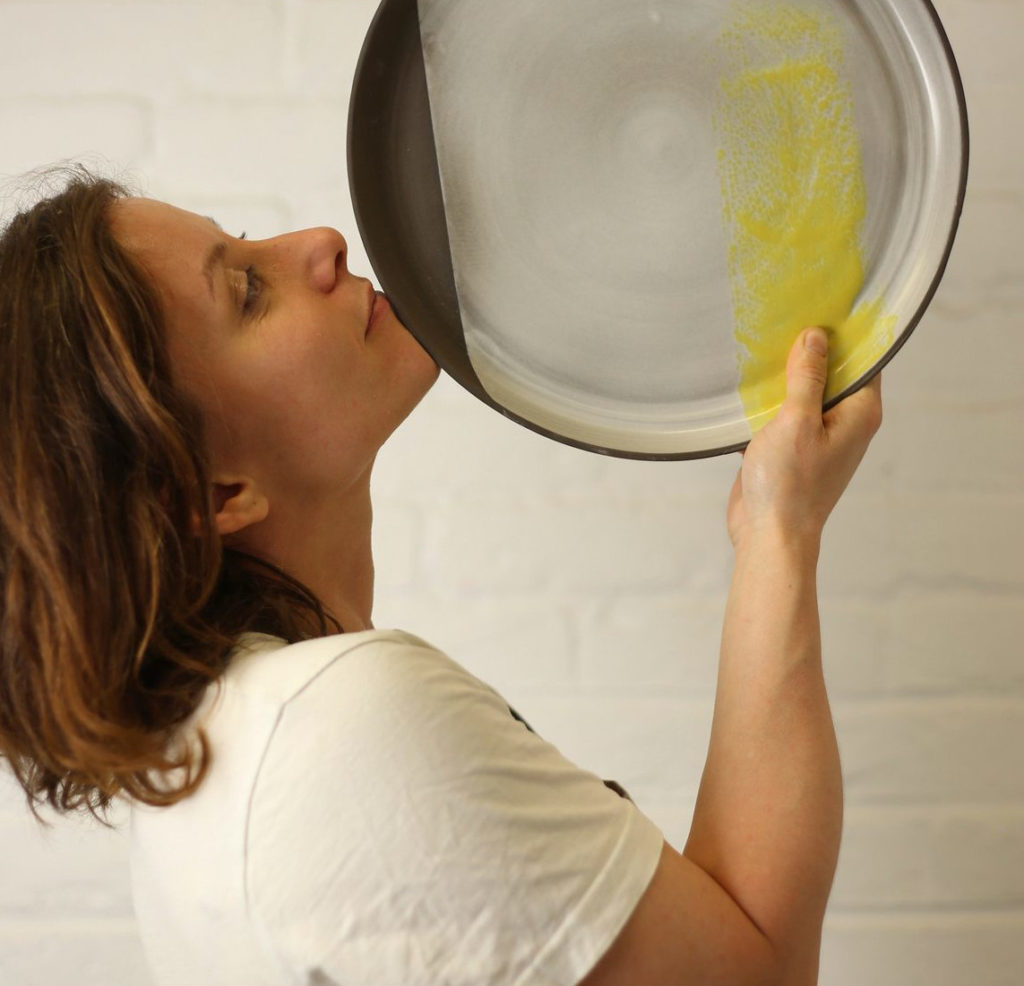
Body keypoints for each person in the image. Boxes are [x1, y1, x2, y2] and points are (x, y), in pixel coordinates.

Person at [0, 165, 882, 986]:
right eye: (246, 291)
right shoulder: (335, 731)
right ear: (214, 492)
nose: (319, 240)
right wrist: (779, 528)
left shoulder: (224, 752)